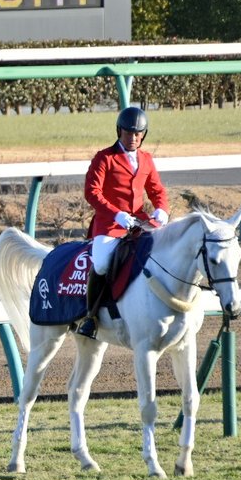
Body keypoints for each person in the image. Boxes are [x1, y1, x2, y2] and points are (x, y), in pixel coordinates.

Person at [76, 106, 170, 339]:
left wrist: (162, 209)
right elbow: (92, 192)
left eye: (138, 134)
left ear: (144, 135)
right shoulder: (104, 158)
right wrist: (115, 214)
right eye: (129, 133)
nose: (133, 138)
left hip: (140, 222)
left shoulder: (146, 159)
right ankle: (91, 316)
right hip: (110, 224)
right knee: (101, 264)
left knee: (166, 251)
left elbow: (157, 190)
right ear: (119, 131)